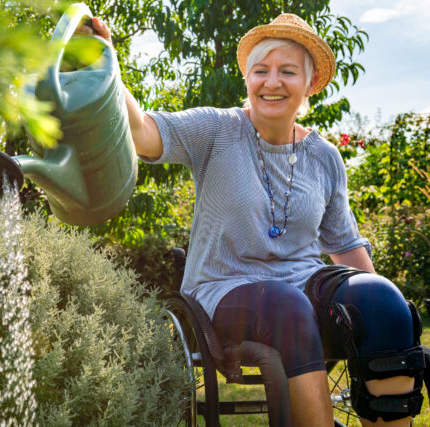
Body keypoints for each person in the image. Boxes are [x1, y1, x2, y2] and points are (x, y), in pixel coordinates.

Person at [79, 12, 426, 427]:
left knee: (384, 303)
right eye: (260, 70)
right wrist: (106, 60)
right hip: (223, 288)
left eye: (287, 71)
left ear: (310, 83)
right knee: (287, 306)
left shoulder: (325, 157)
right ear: (247, 78)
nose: (272, 81)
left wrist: (377, 305)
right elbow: (141, 132)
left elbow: (345, 245)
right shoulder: (217, 130)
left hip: (303, 286)